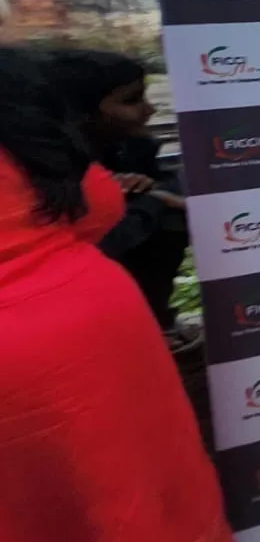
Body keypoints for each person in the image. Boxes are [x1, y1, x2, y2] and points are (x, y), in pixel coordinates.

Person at [0, 47, 234, 542]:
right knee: (98, 518)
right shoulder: (24, 106)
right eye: (131, 99)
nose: (146, 110)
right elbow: (99, 209)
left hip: (67, 360)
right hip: (86, 345)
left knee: (49, 540)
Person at [47, 48, 197, 352]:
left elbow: (172, 186)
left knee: (171, 218)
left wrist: (151, 189)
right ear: (81, 111)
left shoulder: (133, 146)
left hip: (126, 244)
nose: (149, 110)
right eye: (132, 101)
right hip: (68, 280)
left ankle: (154, 317)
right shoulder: (50, 163)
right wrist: (153, 200)